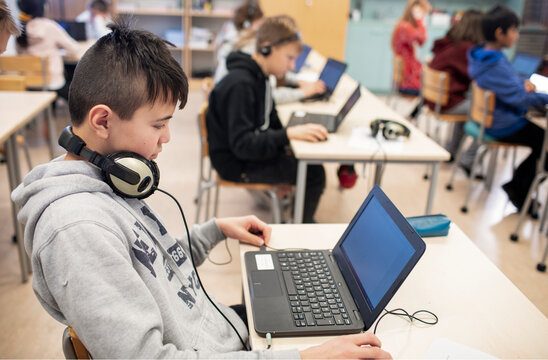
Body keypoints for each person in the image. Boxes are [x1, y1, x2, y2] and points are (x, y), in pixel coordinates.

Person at [11, 19, 390, 359]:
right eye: (158, 125)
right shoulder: (76, 231)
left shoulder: (109, 176)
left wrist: (215, 231)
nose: (168, 138)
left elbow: (152, 264)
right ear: (102, 121)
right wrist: (305, 358)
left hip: (218, 331)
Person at [207, 15, 328, 224]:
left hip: (248, 153)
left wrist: (285, 147)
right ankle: (302, 227)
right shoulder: (241, 85)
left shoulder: (261, 78)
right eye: (289, 58)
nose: (292, 66)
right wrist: (287, 135)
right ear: (266, 48)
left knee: (306, 165)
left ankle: (297, 219)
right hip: (236, 164)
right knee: (313, 173)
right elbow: (243, 144)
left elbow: (271, 121)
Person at [468, 4, 548, 213]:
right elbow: (519, 98)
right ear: (499, 33)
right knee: (544, 141)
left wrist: (521, 84)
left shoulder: (483, 56)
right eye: (514, 30)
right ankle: (519, 191)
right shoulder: (496, 63)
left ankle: (517, 187)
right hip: (503, 123)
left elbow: (510, 87)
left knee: (541, 140)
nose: (517, 35)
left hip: (491, 118)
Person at [213, 0, 325, 104]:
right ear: (266, 49)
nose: (261, 31)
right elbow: (267, 96)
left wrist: (297, 81)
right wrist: (302, 92)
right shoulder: (249, 55)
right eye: (289, 58)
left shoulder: (253, 51)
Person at [425, 9, 484, 172]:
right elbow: (475, 76)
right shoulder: (467, 48)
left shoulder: (452, 42)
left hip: (433, 99)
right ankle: (469, 158)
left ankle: (452, 149)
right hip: (446, 102)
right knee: (485, 111)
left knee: (470, 109)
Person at [16, 0, 79, 102]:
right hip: (53, 82)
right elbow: (74, 48)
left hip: (30, 83)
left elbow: (19, 54)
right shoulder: (49, 26)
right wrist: (59, 52)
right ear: (44, 8)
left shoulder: (20, 29)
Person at [391, 0, 431, 95]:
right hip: (408, 82)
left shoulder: (405, 26)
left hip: (408, 77)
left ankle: (417, 110)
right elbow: (422, 39)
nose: (423, 16)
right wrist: (421, 21)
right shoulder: (405, 28)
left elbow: (421, 43)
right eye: (422, 13)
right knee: (434, 91)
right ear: (412, 11)